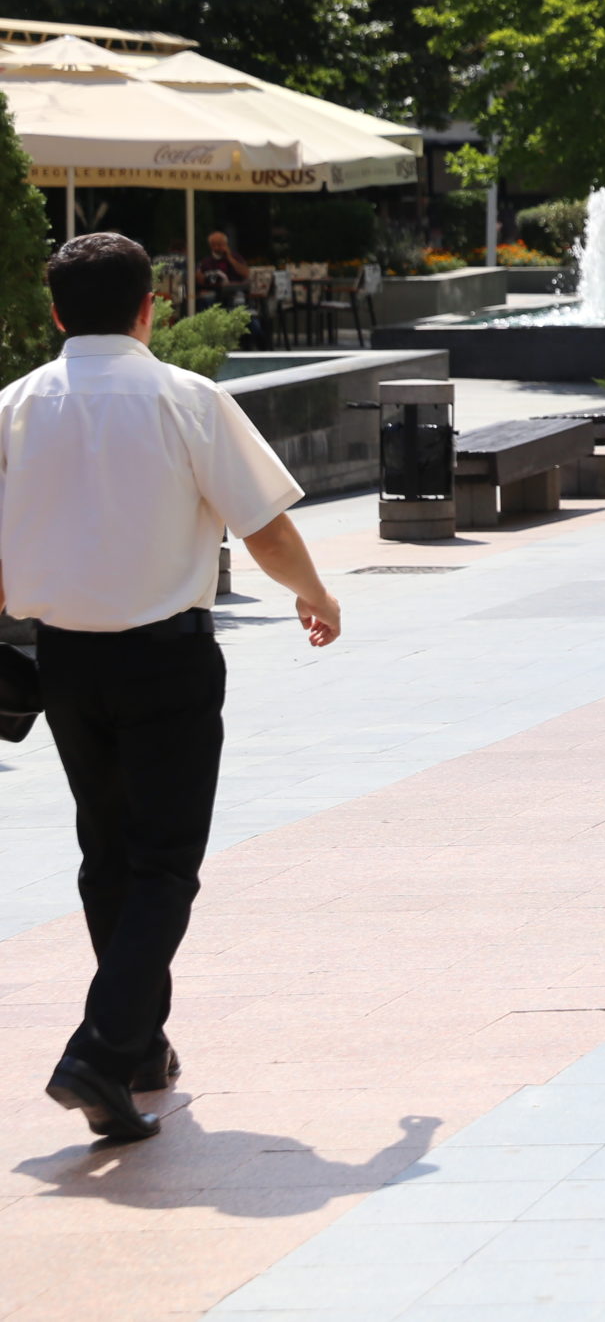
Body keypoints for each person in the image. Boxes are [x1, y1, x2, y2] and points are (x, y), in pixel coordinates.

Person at [2, 233, 342, 1143]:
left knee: (107, 855)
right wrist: (315, 593)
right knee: (163, 864)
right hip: (167, 659)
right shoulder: (186, 397)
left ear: (56, 313)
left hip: (65, 663)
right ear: (151, 307)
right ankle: (102, 1048)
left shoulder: (14, 407)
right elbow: (263, 527)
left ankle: (141, 1049)